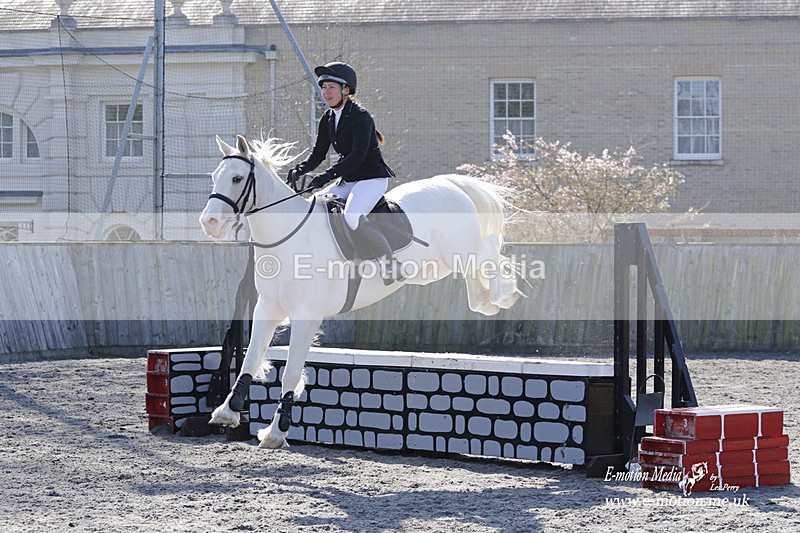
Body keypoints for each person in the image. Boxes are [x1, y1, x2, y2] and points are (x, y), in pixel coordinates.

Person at [287, 61, 398, 284]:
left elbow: (357, 156)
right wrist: (300, 169)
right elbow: (317, 154)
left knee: (352, 216)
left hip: (371, 179)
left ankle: (390, 264)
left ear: (345, 90)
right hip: (349, 179)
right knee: (314, 204)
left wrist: (326, 176)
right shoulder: (328, 118)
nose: (325, 92)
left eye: (331, 87)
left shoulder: (360, 116)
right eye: (323, 87)